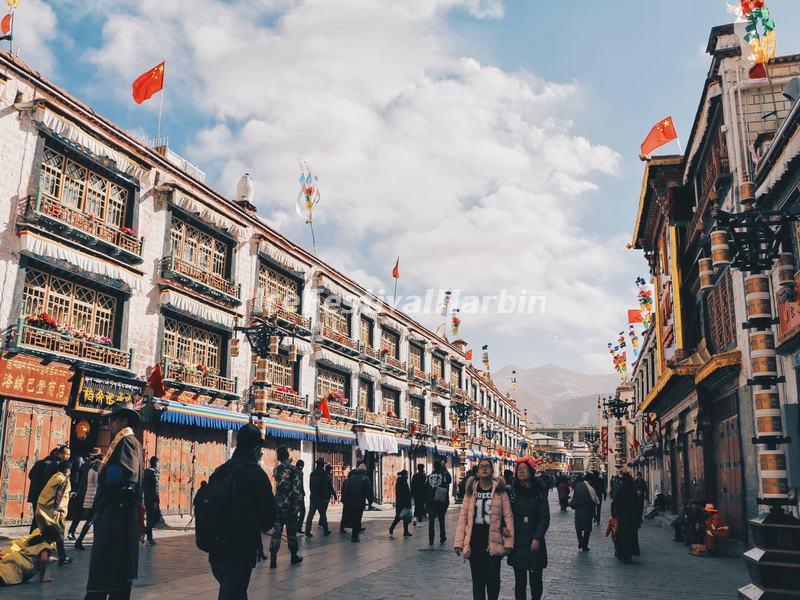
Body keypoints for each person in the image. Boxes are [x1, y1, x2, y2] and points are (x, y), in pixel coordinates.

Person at [205, 424, 275, 599]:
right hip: (241, 549)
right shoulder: (256, 474)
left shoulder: (220, 471)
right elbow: (268, 519)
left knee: (234, 592)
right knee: (232, 593)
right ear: (256, 448)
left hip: (216, 548)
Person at [85, 402, 144, 600]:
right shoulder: (128, 442)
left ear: (124, 420)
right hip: (118, 511)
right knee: (116, 566)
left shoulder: (126, 442)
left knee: (107, 562)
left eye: (114, 419)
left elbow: (125, 474)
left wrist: (101, 473)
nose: (110, 424)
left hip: (117, 512)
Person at [454, 458, 514, 600]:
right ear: (478, 471)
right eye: (482, 467)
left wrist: (509, 543)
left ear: (492, 471)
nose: (484, 468)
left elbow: (508, 517)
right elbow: (463, 517)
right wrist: (458, 542)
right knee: (478, 583)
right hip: (475, 545)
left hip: (493, 544)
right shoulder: (471, 491)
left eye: (487, 466)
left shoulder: (500, 491)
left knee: (493, 582)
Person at [508, 458, 549, 600]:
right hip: (518, 540)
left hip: (534, 541)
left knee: (536, 580)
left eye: (524, 469)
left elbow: (545, 517)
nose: (521, 471)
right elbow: (506, 514)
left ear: (531, 472)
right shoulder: (512, 491)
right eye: (519, 469)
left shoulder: (539, 491)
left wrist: (538, 537)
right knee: (519, 581)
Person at [270, 446, 303, 568]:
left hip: (278, 506)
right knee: (291, 532)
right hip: (290, 507)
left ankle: (273, 559)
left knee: (276, 532)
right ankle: (294, 556)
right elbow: (297, 490)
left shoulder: (276, 470)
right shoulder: (294, 470)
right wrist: (298, 506)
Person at [35, 460, 72, 566]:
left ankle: (49, 555)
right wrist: (56, 508)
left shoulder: (55, 477)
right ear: (67, 469)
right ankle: (61, 556)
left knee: (48, 533)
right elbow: (59, 494)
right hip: (56, 511)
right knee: (58, 533)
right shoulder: (63, 479)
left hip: (45, 508)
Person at [27, 446, 67, 533]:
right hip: (46, 495)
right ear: (58, 454)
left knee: (36, 517)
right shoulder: (57, 465)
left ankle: (32, 536)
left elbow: (30, 476)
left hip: (35, 494)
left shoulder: (39, 463)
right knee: (43, 518)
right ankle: (38, 538)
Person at [68, 448, 102, 540]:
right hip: (90, 493)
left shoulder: (84, 465)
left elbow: (77, 477)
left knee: (78, 514)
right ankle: (94, 536)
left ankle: (71, 531)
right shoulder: (96, 467)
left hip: (82, 491)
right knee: (92, 516)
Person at [611, 473, 640, 564]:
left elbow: (615, 501)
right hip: (632, 516)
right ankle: (629, 554)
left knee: (622, 535)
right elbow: (637, 503)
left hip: (622, 515)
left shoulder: (620, 488)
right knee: (631, 535)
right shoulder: (633, 489)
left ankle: (622, 553)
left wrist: (614, 514)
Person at [340, 462, 373, 542]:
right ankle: (354, 536)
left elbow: (346, 490)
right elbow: (369, 491)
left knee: (352, 517)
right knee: (357, 518)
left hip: (350, 502)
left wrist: (345, 500)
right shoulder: (365, 479)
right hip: (360, 502)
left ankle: (352, 532)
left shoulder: (351, 478)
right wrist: (370, 502)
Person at [569, 473, 599, 551]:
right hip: (588, 511)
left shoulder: (578, 486)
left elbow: (574, 498)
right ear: (589, 480)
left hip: (578, 510)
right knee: (587, 529)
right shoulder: (591, 488)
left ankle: (580, 540)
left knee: (578, 527)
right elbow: (596, 500)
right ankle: (585, 545)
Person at [305, 458, 334, 537]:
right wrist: (325, 498)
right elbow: (325, 487)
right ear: (322, 465)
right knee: (323, 514)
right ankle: (325, 530)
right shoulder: (324, 474)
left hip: (313, 496)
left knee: (310, 515)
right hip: (321, 498)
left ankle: (307, 531)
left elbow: (310, 485)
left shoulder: (312, 473)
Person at [426, 460, 452, 545]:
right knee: (441, 519)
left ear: (434, 466)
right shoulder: (443, 475)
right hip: (440, 500)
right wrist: (445, 469)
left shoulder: (429, 476)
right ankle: (442, 536)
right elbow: (449, 481)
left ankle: (431, 539)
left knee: (431, 521)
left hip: (431, 501)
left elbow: (425, 488)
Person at [142, 456, 161, 546]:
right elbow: (155, 488)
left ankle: (149, 539)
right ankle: (144, 532)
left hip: (146, 498)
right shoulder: (154, 473)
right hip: (153, 499)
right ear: (156, 463)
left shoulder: (145, 472)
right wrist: (156, 500)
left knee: (150, 518)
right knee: (157, 516)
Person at [389, 470, 412, 537]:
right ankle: (392, 528)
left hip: (399, 502)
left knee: (404, 517)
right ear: (405, 475)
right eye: (407, 474)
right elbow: (405, 494)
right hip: (403, 502)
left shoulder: (399, 481)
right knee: (400, 517)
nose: (407, 476)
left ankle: (405, 531)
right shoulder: (403, 482)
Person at [295, 459, 306, 534]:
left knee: (295, 511)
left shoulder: (293, 470)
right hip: (299, 494)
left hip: (293, 494)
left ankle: (295, 526)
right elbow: (300, 483)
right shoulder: (300, 472)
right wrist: (303, 491)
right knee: (302, 511)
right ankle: (298, 527)